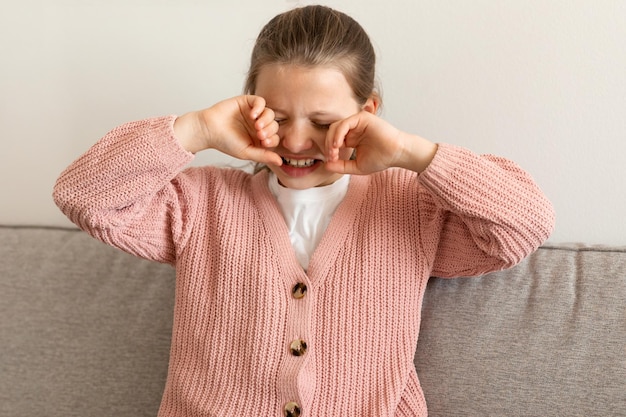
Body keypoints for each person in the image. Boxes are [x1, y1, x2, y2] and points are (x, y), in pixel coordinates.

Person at [53, 5, 555, 417]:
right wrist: (198, 130)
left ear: (368, 112)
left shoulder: (412, 206)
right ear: (247, 104)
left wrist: (411, 152)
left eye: (320, 120)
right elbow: (84, 195)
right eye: (277, 115)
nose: (296, 140)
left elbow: (523, 225)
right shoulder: (200, 203)